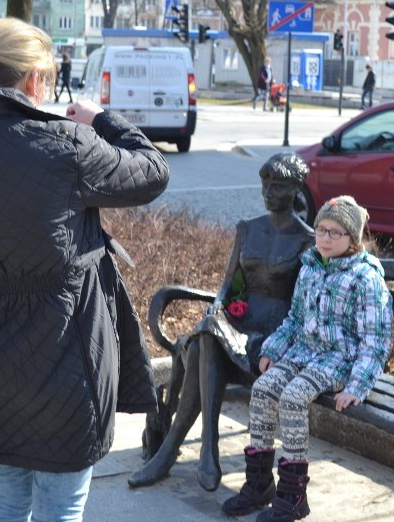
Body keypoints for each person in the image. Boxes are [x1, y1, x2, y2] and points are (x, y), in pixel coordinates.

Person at [0, 17, 169, 522]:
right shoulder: (64, 144)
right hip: (65, 360)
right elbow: (152, 173)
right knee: (60, 507)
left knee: (3, 501)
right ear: (33, 80)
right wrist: (101, 118)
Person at [128, 152, 315, 492]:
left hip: (276, 335)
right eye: (265, 184)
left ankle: (176, 452)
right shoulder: (248, 229)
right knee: (209, 333)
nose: (269, 192)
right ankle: (206, 449)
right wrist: (217, 307)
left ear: (296, 189)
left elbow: (305, 303)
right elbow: (227, 286)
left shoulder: (307, 239)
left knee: (202, 345)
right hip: (237, 325)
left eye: (278, 186)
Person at [222, 195, 393, 521]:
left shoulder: (365, 278)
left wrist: (356, 386)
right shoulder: (311, 267)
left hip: (339, 360)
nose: (326, 239)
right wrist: (273, 350)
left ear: (353, 239)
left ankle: (293, 495)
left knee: (292, 397)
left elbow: (375, 341)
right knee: (263, 389)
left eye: (336, 233)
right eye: (322, 230)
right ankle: (259, 484)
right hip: (304, 352)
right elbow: (295, 320)